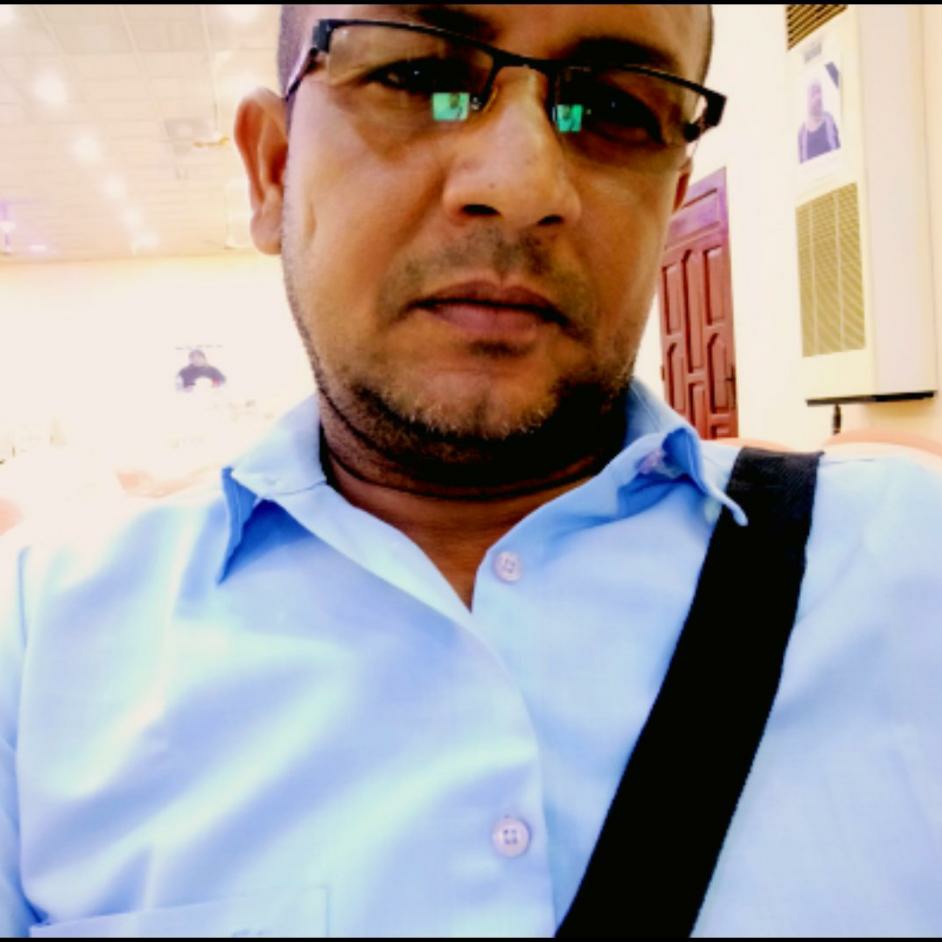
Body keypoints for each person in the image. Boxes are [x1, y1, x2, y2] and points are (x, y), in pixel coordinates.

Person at [2, 4, 941, 937]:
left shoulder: (908, 571)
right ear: (273, 169)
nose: (521, 183)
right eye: (419, 77)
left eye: (614, 106)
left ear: (671, 196)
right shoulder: (40, 647)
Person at [798, 77, 840, 163]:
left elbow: (839, 153)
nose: (818, 97)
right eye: (814, 93)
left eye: (820, 92)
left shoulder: (829, 121)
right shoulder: (802, 133)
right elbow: (802, 166)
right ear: (807, 99)